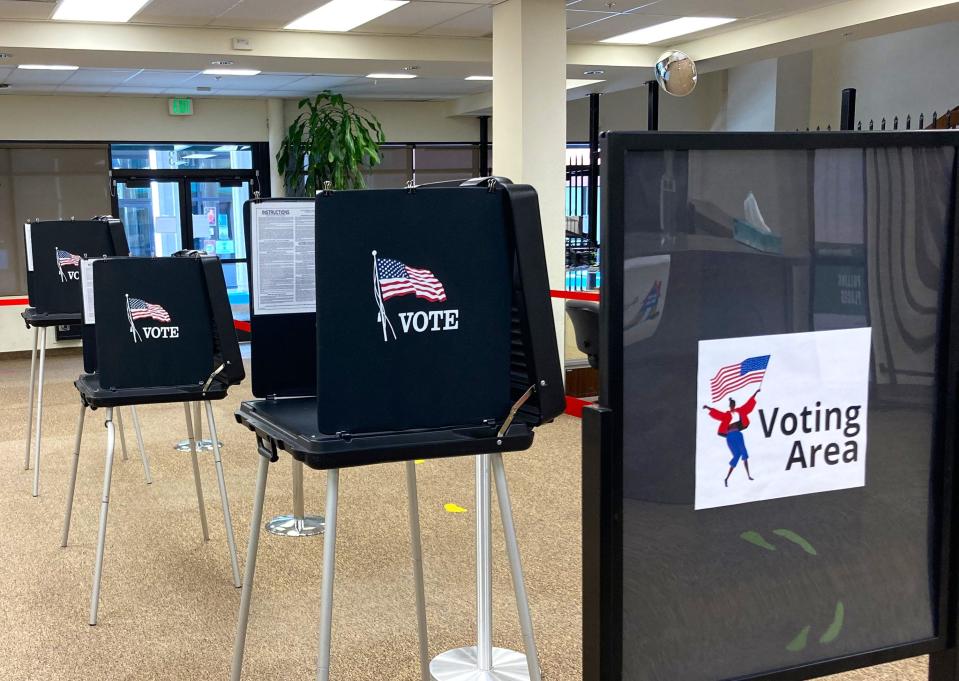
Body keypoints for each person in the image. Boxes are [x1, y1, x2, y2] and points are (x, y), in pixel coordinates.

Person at [703, 389, 760, 487]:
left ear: (735, 405)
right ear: (730, 406)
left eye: (733, 404)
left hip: (737, 435)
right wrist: (708, 407)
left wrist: (755, 393)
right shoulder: (727, 415)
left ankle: (748, 475)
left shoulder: (740, 411)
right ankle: (727, 478)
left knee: (744, 453)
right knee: (736, 455)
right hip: (729, 437)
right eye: (731, 405)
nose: (732, 406)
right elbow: (718, 414)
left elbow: (748, 404)